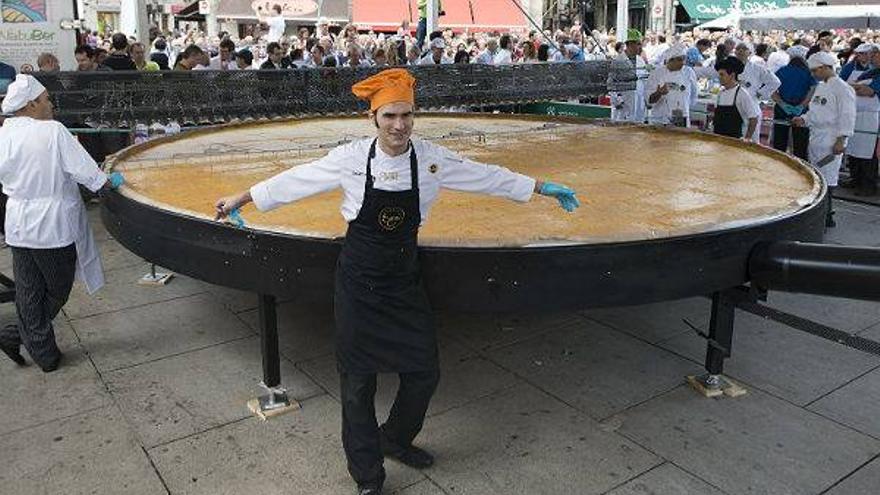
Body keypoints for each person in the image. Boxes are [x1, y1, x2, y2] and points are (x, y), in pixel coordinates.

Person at [213, 69, 579, 495]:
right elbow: (298, 179)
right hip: (359, 282)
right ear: (373, 118)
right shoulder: (350, 158)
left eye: (406, 115)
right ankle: (368, 476)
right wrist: (243, 197)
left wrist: (541, 187)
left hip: (403, 281)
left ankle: (395, 438)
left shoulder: (430, 159)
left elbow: (486, 175)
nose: (399, 125)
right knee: (357, 384)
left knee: (424, 372)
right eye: (389, 116)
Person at [0, 75, 123, 371]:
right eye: (45, 99)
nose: (51, 104)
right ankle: (18, 335)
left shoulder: (3, 135)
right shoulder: (52, 132)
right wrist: (110, 182)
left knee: (28, 289)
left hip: (18, 223)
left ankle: (42, 352)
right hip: (51, 225)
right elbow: (88, 174)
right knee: (57, 288)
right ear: (31, 105)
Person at [793, 52, 857, 227]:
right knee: (816, 175)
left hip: (832, 139)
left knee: (828, 177)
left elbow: (848, 116)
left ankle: (827, 215)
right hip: (816, 136)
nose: (813, 74)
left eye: (815, 71)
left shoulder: (843, 89)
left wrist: (841, 140)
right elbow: (815, 111)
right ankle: (818, 212)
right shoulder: (821, 87)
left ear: (825, 67)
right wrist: (804, 119)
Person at [842, 43, 880, 196]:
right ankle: (855, 178)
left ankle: (868, 184)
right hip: (855, 113)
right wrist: (855, 87)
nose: (871, 58)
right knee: (853, 148)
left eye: (874, 56)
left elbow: (868, 91)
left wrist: (853, 88)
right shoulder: (869, 71)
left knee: (867, 152)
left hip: (871, 116)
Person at [772, 45, 814, 160]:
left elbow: (772, 89)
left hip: (782, 109)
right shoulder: (809, 72)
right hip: (801, 111)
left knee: (779, 144)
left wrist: (782, 104)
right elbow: (813, 89)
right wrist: (802, 105)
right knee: (801, 145)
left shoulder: (782, 71)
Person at [734, 41, 780, 142]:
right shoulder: (729, 68)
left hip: (751, 107)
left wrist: (760, 94)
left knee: (751, 143)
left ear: (750, 52)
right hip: (733, 108)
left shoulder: (758, 69)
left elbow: (775, 82)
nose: (740, 50)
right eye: (738, 48)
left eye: (744, 48)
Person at [646, 44, 698, 127]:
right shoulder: (656, 73)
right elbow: (649, 101)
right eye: (680, 60)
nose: (683, 63)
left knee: (679, 138)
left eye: (684, 59)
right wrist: (659, 93)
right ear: (671, 60)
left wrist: (684, 107)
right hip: (660, 117)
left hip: (679, 115)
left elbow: (694, 95)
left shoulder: (688, 72)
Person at [713, 57, 759, 141]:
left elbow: (753, 119)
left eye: (722, 74)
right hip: (718, 139)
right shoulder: (720, 93)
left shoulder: (742, 94)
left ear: (732, 75)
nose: (719, 77)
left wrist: (747, 138)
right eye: (719, 74)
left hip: (735, 141)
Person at [610, 29, 647, 124]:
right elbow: (611, 83)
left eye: (641, 44)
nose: (640, 47)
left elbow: (644, 81)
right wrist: (617, 100)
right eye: (638, 44)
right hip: (623, 106)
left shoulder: (641, 61)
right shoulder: (618, 61)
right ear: (630, 44)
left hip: (638, 104)